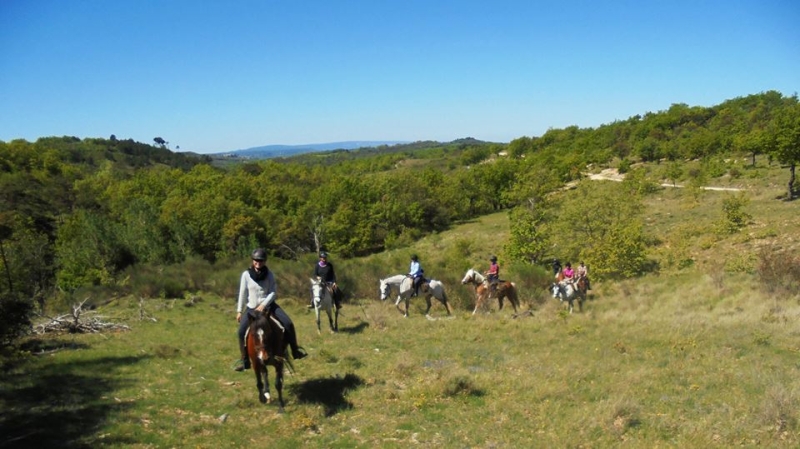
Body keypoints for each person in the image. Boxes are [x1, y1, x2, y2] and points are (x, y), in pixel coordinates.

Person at [234, 248, 306, 372]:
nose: (258, 262)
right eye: (256, 260)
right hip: (251, 308)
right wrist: (239, 310)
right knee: (241, 331)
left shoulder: (270, 274)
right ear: (253, 260)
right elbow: (242, 293)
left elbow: (273, 292)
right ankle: (244, 360)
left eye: (261, 261)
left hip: (269, 306)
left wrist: (264, 304)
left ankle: (295, 351)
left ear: (265, 261)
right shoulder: (246, 275)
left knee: (288, 323)